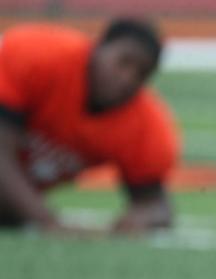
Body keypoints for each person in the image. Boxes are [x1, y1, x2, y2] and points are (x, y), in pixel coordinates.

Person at [0, 18, 179, 233]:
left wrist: (141, 218)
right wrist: (48, 222)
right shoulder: (40, 56)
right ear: (98, 47)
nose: (127, 78)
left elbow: (157, 205)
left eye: (141, 74)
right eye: (124, 62)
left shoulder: (145, 124)